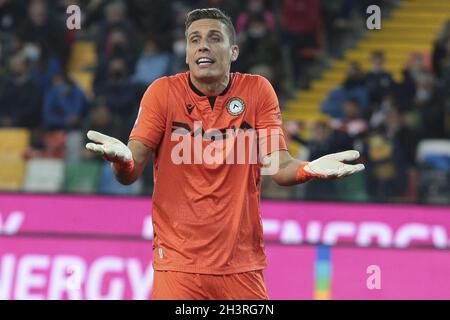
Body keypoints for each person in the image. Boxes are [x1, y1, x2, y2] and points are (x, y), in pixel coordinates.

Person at [85, 8, 364, 300]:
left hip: (242, 267)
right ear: (187, 53)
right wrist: (122, 160)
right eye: (194, 40)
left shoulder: (257, 91)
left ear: (233, 51)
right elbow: (131, 171)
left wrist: (308, 169)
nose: (202, 45)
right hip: (179, 268)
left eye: (213, 38)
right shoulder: (162, 93)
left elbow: (279, 167)